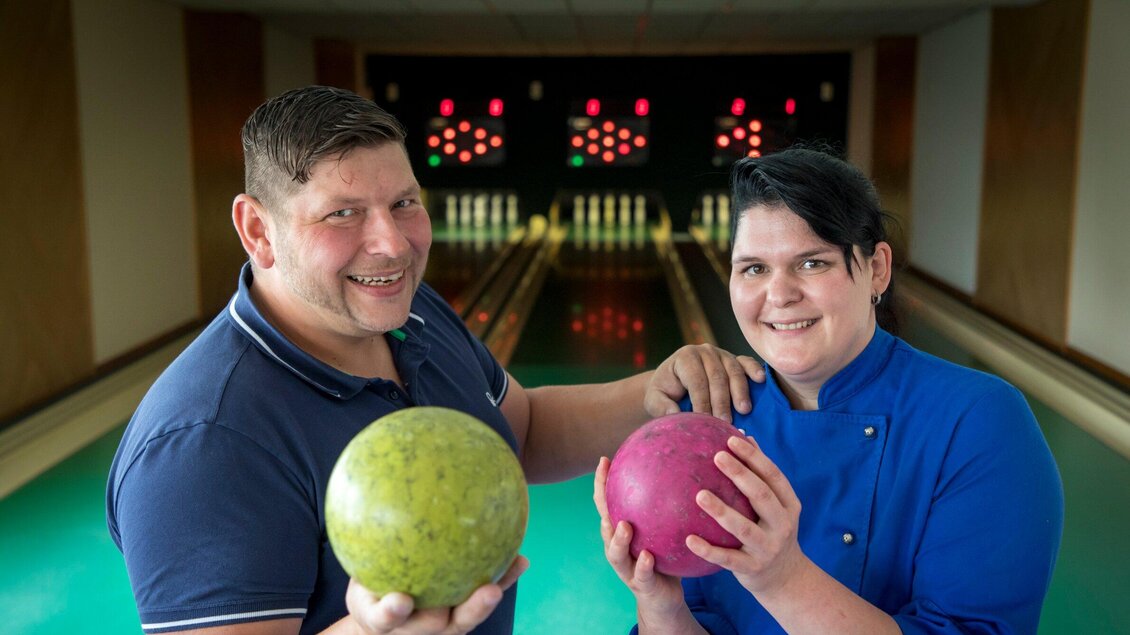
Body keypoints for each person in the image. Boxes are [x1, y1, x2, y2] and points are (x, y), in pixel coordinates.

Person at [105, 85, 762, 635]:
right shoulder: (202, 443)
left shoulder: (409, 313)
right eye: (343, 213)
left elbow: (522, 430)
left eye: (404, 203)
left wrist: (657, 388)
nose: (392, 244)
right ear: (257, 230)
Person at [594, 147, 1064, 634]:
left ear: (877, 268)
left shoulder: (979, 423)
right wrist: (661, 606)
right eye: (753, 268)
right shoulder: (707, 420)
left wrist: (782, 578)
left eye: (812, 263)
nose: (779, 295)